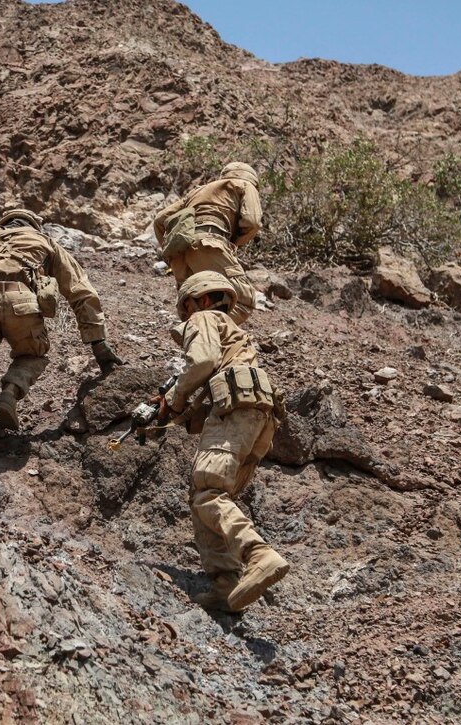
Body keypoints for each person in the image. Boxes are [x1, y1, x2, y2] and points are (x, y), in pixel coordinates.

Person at [0, 208, 123, 488]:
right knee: (34, 354)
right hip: (23, 303)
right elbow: (82, 291)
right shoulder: (45, 242)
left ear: (2, 225)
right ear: (33, 226)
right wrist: (98, 343)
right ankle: (10, 392)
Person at [153, 271, 289, 612]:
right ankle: (226, 583)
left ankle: (258, 554)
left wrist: (175, 397)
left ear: (198, 299)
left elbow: (202, 362)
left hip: (236, 412)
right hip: (261, 417)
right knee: (207, 497)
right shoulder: (237, 337)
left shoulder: (204, 317)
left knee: (208, 490)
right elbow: (213, 381)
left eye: (186, 309)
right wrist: (178, 409)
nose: (186, 317)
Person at [153, 162, 262, 325]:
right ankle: (211, 333)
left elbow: (160, 220)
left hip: (180, 252)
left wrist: (170, 252)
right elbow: (252, 221)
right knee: (244, 301)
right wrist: (233, 244)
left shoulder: (198, 190)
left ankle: (197, 340)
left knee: (197, 304)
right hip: (209, 244)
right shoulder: (244, 185)